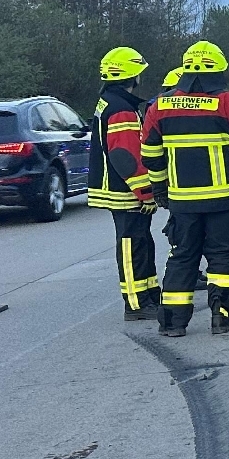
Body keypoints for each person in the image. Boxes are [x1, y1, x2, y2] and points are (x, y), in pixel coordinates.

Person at [140, 41, 229, 337]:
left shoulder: (160, 106)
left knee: (181, 256)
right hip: (225, 198)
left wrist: (159, 188)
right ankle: (220, 316)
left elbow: (150, 154)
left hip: (182, 200)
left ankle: (172, 323)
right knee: (223, 255)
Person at [90, 47, 158, 320]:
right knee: (132, 245)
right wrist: (145, 192)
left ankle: (150, 293)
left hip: (118, 186)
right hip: (125, 190)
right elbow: (125, 155)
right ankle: (136, 303)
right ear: (133, 75)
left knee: (142, 241)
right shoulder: (122, 110)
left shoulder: (109, 101)